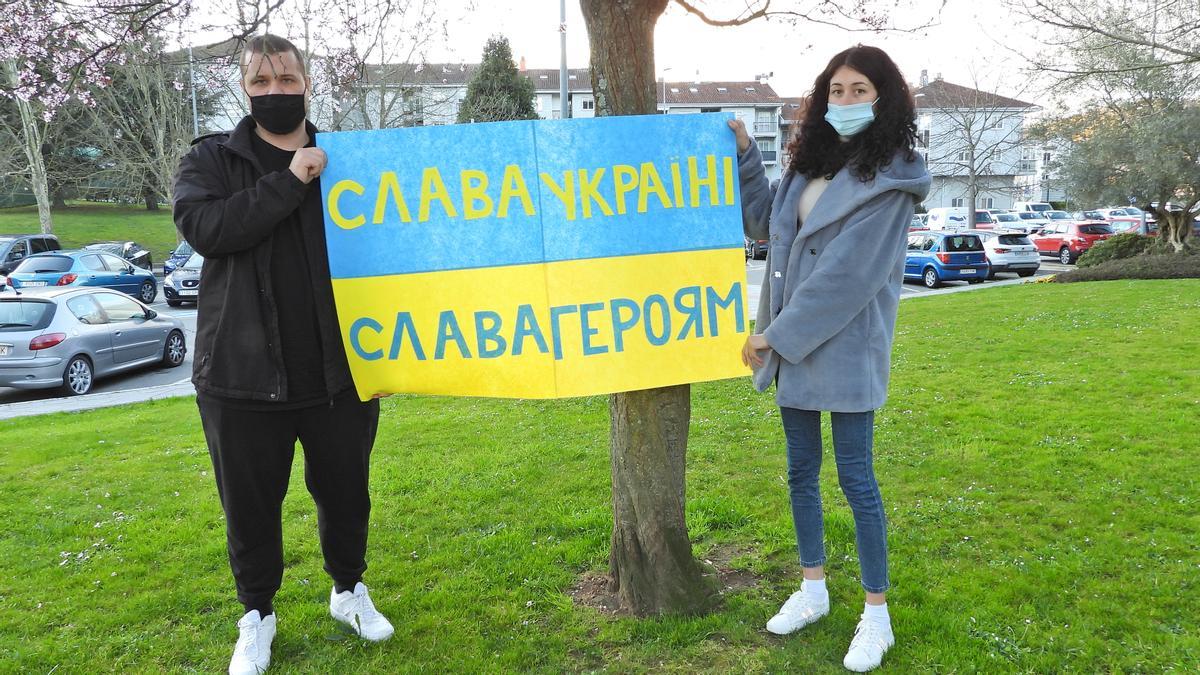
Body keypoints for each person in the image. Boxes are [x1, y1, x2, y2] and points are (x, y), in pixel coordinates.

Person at [173, 34, 393, 675]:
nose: (276, 93)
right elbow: (207, 229)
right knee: (249, 505)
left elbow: (392, 251)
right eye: (262, 83)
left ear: (307, 82)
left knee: (348, 495)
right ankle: (257, 617)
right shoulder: (212, 158)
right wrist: (290, 182)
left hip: (338, 374)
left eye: (287, 80)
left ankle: (348, 591)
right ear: (245, 88)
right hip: (240, 378)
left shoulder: (348, 158)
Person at [728, 45, 930, 673]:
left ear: (885, 98)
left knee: (856, 481)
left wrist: (773, 337)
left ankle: (877, 615)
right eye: (835, 90)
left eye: (859, 90)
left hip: (842, 344)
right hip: (792, 344)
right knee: (800, 472)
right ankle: (813, 589)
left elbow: (848, 277)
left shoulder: (895, 177)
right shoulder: (806, 164)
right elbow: (765, 226)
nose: (845, 101)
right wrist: (745, 156)